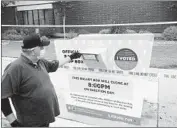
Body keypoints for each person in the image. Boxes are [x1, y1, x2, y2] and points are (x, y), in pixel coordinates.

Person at [1, 34, 82, 127]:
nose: (43, 49)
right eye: (41, 47)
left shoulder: (40, 62)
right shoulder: (15, 69)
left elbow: (54, 65)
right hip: (30, 123)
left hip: (44, 119)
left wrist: (71, 57)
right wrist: (13, 122)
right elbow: (2, 96)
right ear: (33, 51)